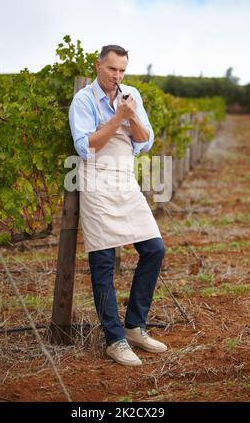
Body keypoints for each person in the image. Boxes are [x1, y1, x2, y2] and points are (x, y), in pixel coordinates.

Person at [69, 45, 167, 366]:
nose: (118, 76)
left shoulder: (132, 94)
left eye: (123, 70)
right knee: (103, 262)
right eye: (112, 69)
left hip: (126, 182)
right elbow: (86, 147)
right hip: (96, 183)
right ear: (98, 66)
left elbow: (145, 141)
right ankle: (115, 339)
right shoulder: (84, 100)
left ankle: (135, 326)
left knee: (154, 249)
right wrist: (117, 118)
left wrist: (132, 115)